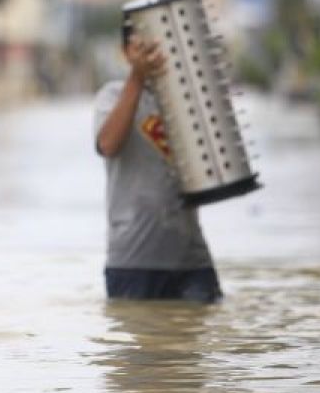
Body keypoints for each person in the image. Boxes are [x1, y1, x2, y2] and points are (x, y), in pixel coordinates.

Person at [92, 20, 223, 303]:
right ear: (126, 52)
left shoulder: (189, 99)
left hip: (193, 261)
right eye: (142, 47)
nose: (152, 55)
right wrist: (138, 77)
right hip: (132, 262)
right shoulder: (112, 95)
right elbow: (108, 144)